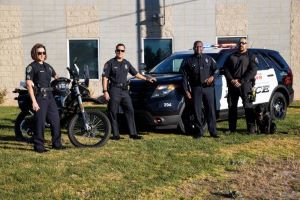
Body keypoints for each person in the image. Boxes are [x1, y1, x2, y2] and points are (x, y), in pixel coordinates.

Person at [102, 43, 155, 140]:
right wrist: (105, 91)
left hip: (125, 91)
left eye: (122, 50)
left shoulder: (127, 63)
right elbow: (105, 78)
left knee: (130, 110)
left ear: (124, 52)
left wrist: (146, 78)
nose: (120, 52)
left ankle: (133, 134)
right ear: (115, 51)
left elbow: (136, 74)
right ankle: (116, 135)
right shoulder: (110, 63)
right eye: (118, 50)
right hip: (114, 90)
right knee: (113, 112)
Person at [25, 43, 64, 153]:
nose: (42, 55)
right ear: (35, 54)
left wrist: (65, 80)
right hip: (40, 97)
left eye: (44, 53)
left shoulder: (48, 66)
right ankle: (39, 146)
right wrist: (34, 102)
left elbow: (56, 77)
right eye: (39, 53)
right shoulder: (31, 67)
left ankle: (57, 144)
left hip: (50, 96)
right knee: (40, 122)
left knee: (55, 120)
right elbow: (28, 84)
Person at [180, 40, 219, 139]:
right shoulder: (188, 61)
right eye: (196, 47)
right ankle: (199, 132)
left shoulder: (209, 59)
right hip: (196, 88)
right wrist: (186, 90)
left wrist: (212, 77)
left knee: (210, 110)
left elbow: (217, 70)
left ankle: (213, 131)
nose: (198, 48)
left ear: (203, 48)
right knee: (197, 111)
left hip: (208, 88)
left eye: (200, 46)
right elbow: (184, 77)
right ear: (194, 48)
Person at [223, 37, 258, 134]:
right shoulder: (232, 56)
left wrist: (241, 80)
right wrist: (231, 80)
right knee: (232, 107)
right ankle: (232, 129)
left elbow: (253, 71)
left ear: (247, 44)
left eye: (244, 43)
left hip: (246, 85)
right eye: (240, 43)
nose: (241, 44)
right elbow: (226, 69)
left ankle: (251, 130)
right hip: (233, 85)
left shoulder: (251, 56)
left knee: (248, 106)